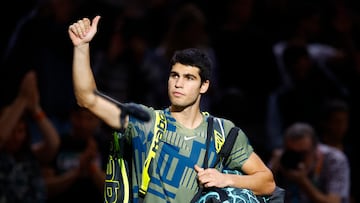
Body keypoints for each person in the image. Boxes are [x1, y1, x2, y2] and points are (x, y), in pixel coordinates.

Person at [67, 15, 276, 202]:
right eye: (174, 75)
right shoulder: (145, 121)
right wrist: (81, 47)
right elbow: (87, 98)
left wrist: (225, 179)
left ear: (204, 86)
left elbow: (267, 182)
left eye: (189, 78)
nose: (178, 83)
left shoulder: (223, 131)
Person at [0, 70, 60, 203]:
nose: (15, 137)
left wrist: (35, 109)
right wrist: (22, 100)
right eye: (12, 130)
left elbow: (53, 144)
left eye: (20, 131)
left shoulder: (29, 155)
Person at [268, 122, 350, 203]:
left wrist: (303, 181)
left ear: (315, 148)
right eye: (292, 153)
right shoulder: (281, 159)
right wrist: (272, 172)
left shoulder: (334, 160)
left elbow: (334, 201)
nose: (297, 159)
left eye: (303, 154)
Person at [42, 105, 109, 203]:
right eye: (79, 117)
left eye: (89, 118)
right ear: (71, 117)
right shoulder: (57, 144)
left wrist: (92, 167)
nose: (83, 124)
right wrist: (77, 171)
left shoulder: (107, 146)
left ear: (98, 120)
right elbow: (46, 188)